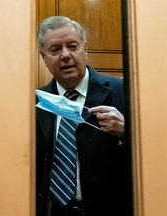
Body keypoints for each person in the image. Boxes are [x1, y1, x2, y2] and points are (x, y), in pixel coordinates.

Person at [36, 16, 127, 216]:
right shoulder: (35, 104)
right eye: (55, 49)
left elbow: (156, 154)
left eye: (72, 46)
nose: (66, 55)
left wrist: (126, 131)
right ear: (44, 57)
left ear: (85, 49)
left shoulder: (123, 92)